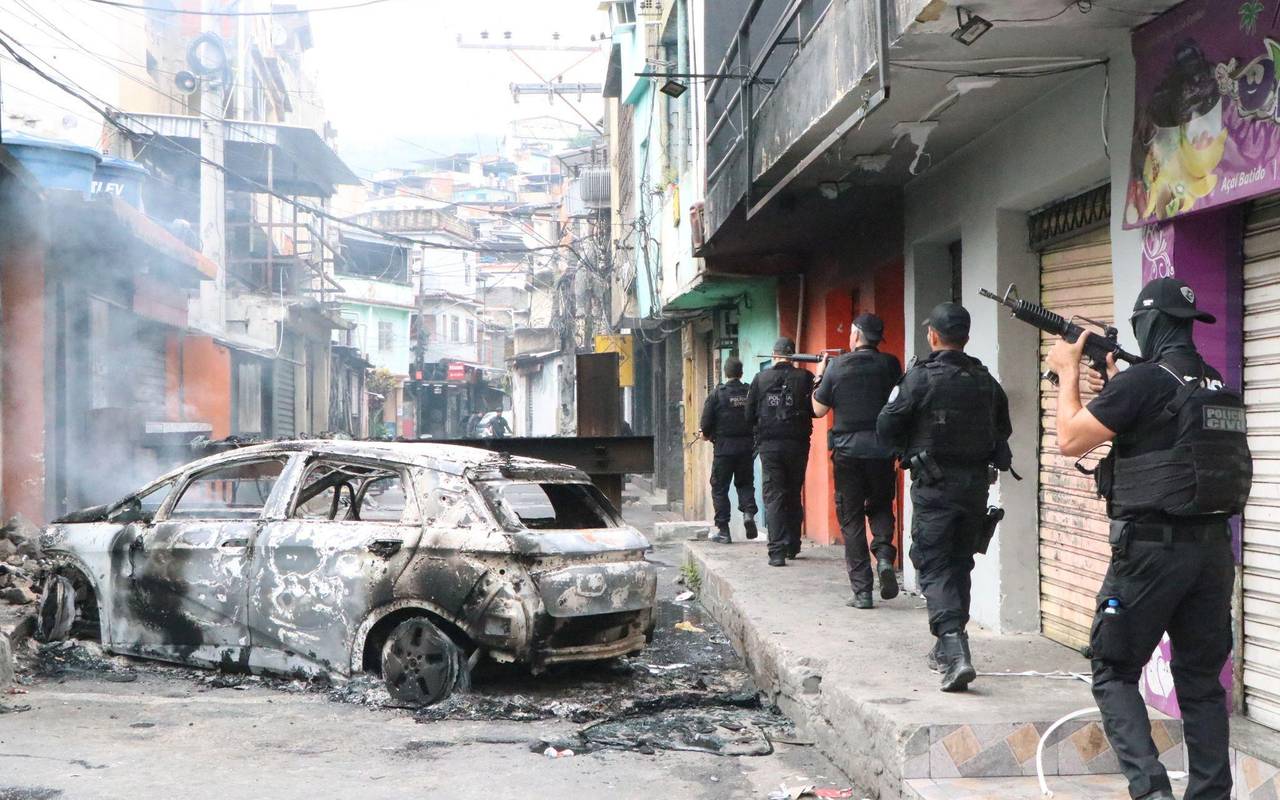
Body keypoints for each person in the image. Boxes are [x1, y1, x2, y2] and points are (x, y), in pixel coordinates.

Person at [1047, 278, 1250, 800]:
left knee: (1113, 669)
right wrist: (1114, 382)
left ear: (1147, 324)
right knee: (1202, 683)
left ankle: (1152, 791)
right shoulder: (1211, 380)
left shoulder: (1142, 384)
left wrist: (1067, 371)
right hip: (1211, 553)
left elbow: (1070, 439)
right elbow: (1161, 434)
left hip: (1151, 554)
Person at [877, 302, 1012, 692]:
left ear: (933, 336)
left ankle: (954, 649)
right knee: (959, 563)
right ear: (966, 337)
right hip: (974, 489)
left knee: (933, 565)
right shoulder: (985, 380)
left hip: (935, 488)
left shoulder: (920, 378)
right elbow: (1002, 428)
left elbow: (886, 426)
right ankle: (946, 647)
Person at [813, 312, 903, 609]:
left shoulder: (837, 368)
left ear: (854, 335)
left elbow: (818, 410)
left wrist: (819, 376)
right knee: (880, 505)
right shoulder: (890, 364)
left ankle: (863, 592)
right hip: (882, 450)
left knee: (851, 519)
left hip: (848, 453)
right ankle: (885, 556)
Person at [745, 336, 816, 567]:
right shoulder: (805, 378)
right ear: (793, 355)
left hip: (770, 447)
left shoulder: (760, 379)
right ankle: (792, 545)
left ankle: (776, 552)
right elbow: (815, 409)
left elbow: (748, 415)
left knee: (774, 495)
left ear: (774, 355)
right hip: (798, 445)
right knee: (794, 492)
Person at [699, 356, 759, 544]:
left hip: (724, 449)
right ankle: (748, 514)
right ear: (741, 373)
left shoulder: (717, 394)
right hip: (746, 448)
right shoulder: (750, 392)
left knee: (719, 488)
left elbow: (706, 426)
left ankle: (724, 531)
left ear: (725, 373)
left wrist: (706, 434)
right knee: (745, 484)